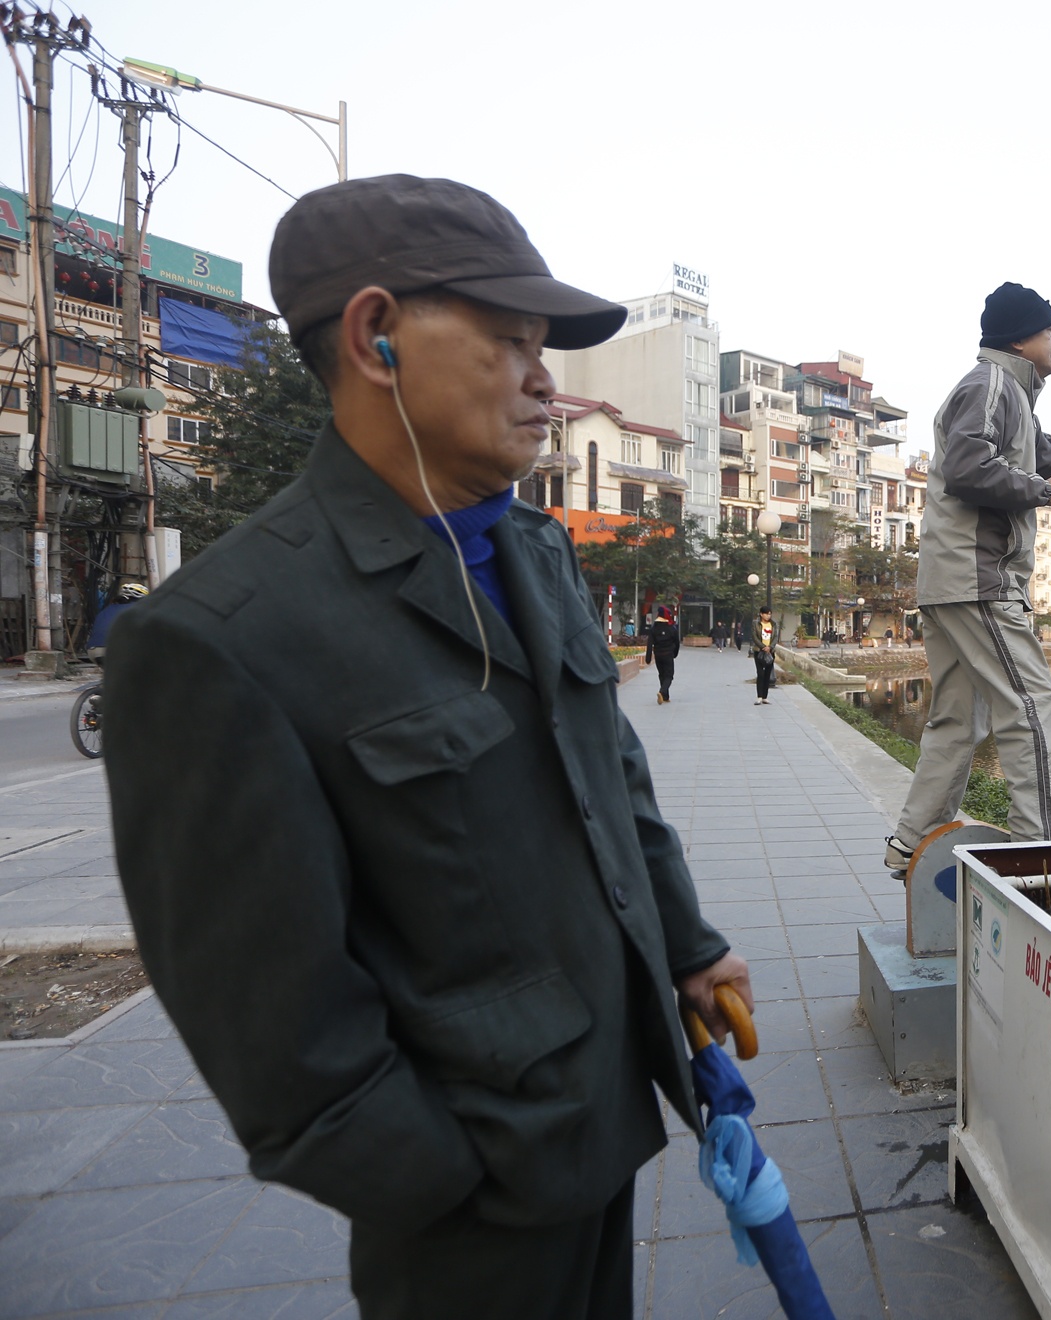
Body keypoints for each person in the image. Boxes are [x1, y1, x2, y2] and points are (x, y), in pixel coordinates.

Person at [102, 175, 751, 1320]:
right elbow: (277, 1035)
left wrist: (689, 949)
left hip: (605, 1109)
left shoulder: (535, 551)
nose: (547, 382)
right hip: (472, 1203)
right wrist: (448, 1187)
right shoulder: (219, 641)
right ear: (375, 338)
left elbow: (611, 777)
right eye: (512, 342)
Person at [881, 283, 1051, 871]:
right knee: (1036, 707)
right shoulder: (990, 386)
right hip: (978, 579)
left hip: (951, 582)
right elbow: (967, 468)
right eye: (1048, 330)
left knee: (960, 719)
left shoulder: (1015, 404)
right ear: (1018, 338)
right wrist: (1041, 490)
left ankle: (911, 844)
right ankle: (1040, 858)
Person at [646, 606, 682, 704]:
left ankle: (665, 697)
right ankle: (662, 692)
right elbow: (677, 642)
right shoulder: (672, 628)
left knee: (662, 674)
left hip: (658, 654)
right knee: (669, 675)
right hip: (668, 654)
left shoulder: (654, 628)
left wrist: (648, 658)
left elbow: (649, 643)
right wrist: (675, 654)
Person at [750, 606, 778, 705]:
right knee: (760, 674)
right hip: (759, 651)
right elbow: (754, 637)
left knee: (767, 675)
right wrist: (763, 647)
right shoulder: (756, 623)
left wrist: (770, 647)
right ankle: (759, 696)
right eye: (766, 614)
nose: (768, 616)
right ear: (761, 614)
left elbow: (775, 637)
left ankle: (765, 697)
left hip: (770, 652)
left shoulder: (773, 624)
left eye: (769, 614)